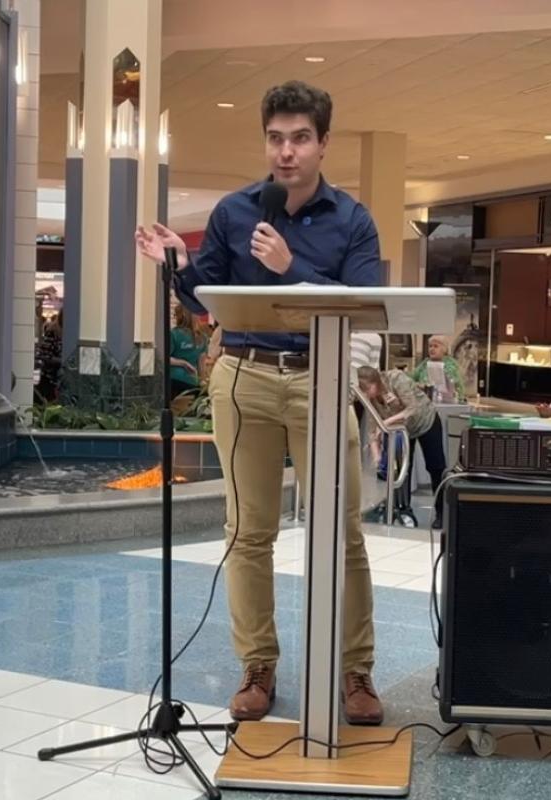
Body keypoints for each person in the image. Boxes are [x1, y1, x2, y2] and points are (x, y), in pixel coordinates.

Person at [135, 81, 384, 725]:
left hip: (320, 379)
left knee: (343, 533)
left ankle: (356, 673)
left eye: (301, 138)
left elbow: (360, 309)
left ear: (323, 143)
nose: (287, 151)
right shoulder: (234, 211)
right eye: (276, 138)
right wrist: (175, 264)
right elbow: (201, 298)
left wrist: (289, 267)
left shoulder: (352, 221)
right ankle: (257, 665)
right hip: (243, 376)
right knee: (248, 535)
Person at [358, 365, 447, 529]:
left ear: (375, 383)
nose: (363, 393)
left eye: (366, 388)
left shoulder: (397, 379)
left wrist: (385, 422)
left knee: (435, 466)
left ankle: (442, 512)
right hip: (402, 430)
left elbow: (413, 408)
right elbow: (372, 430)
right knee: (401, 471)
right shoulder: (369, 399)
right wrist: (377, 458)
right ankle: (404, 510)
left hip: (425, 421)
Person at [412, 334, 465, 403]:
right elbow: (411, 378)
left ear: (444, 349)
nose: (432, 349)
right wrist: (416, 385)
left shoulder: (451, 366)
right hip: (423, 401)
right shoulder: (424, 364)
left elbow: (457, 387)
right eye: (430, 346)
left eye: (436, 346)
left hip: (446, 403)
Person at [170, 304, 208, 397]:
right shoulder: (202, 338)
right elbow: (201, 365)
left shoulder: (173, 334)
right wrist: (202, 382)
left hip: (173, 379)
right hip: (192, 382)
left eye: (175, 315)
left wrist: (183, 363)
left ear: (181, 316)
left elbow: (165, 358)